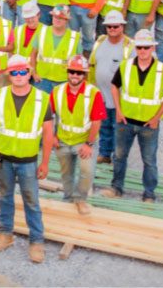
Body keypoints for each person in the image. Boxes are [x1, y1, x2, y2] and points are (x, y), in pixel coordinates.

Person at [0, 55, 51, 264]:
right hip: (4, 158)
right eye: (15, 72)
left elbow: (48, 133)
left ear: (30, 73)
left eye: (23, 71)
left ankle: (37, 240)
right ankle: (6, 233)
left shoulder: (42, 99)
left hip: (28, 161)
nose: (19, 76)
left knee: (31, 201)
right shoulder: (0, 95)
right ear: (9, 74)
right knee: (5, 197)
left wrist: (45, 162)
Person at [101, 29, 163, 203]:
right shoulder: (126, 66)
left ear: (152, 49)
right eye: (140, 47)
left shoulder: (161, 69)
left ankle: (149, 193)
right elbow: (114, 87)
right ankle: (116, 188)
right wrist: (118, 110)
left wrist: (156, 118)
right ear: (136, 48)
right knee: (119, 156)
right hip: (126, 121)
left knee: (149, 160)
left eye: (146, 47)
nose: (143, 51)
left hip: (149, 125)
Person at [46, 55, 106, 216]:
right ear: (67, 72)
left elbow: (96, 122)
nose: (74, 75)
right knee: (66, 173)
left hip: (84, 141)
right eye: (72, 72)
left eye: (79, 73)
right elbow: (48, 116)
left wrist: (89, 144)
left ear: (84, 75)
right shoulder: (57, 92)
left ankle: (80, 199)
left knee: (87, 172)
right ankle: (68, 198)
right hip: (63, 139)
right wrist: (53, 136)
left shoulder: (93, 93)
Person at [89, 12, 134, 164]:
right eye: (109, 26)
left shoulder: (129, 46)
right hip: (101, 94)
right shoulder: (100, 41)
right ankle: (104, 153)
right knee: (104, 126)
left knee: (118, 129)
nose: (112, 29)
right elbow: (92, 64)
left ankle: (118, 157)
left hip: (119, 97)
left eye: (116, 26)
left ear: (122, 26)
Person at [28, 6, 80, 94]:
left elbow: (79, 61)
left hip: (63, 80)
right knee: (41, 106)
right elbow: (33, 54)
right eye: (55, 17)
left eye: (61, 18)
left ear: (67, 20)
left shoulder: (74, 37)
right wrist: (33, 72)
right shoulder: (42, 31)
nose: (57, 20)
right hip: (42, 79)